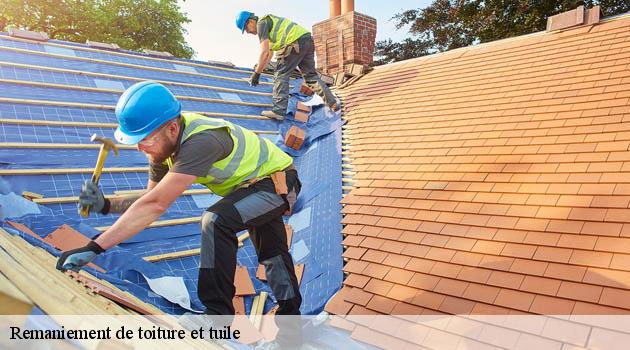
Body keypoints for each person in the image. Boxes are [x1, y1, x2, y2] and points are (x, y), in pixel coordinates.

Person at [56, 81, 303, 317]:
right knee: (273, 254)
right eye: (136, 142)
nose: (141, 149)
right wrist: (107, 204)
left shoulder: (202, 141)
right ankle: (291, 322)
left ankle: (218, 315)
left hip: (279, 183)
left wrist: (94, 247)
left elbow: (155, 205)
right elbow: (150, 198)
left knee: (216, 221)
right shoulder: (162, 148)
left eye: (145, 140)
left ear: (172, 128)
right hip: (253, 187)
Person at [236, 11, 339, 120]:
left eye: (246, 28)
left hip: (294, 43)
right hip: (307, 40)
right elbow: (269, 55)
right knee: (311, 77)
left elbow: (264, 52)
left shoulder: (261, 24)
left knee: (280, 75)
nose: (247, 32)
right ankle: (332, 102)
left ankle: (279, 111)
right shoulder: (269, 27)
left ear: (251, 21)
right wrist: (259, 71)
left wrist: (256, 74)